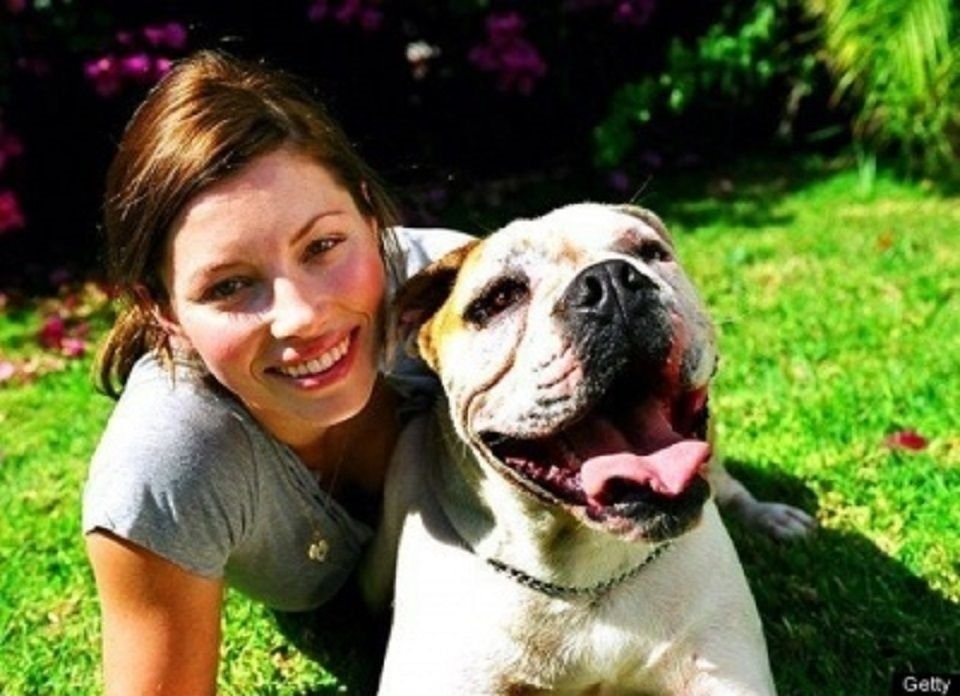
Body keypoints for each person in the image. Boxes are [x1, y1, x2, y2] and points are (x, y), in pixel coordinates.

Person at [83, 49, 472, 694]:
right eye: (231, 286)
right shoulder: (166, 466)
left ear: (372, 219)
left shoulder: (470, 306)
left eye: (323, 245)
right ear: (164, 313)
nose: (300, 317)